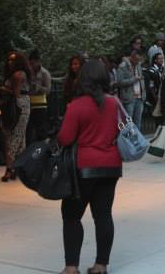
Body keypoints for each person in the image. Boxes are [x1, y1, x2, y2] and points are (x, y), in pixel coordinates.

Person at [56, 60, 123, 274]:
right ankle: (101, 265)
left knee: (72, 216)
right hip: (111, 165)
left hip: (83, 168)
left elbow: (65, 138)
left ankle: (71, 267)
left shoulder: (76, 106)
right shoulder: (113, 103)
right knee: (103, 214)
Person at [1, 52, 32, 182]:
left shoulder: (18, 74)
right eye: (9, 59)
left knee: (15, 136)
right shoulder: (16, 74)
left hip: (19, 105)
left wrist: (2, 89)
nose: (10, 62)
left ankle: (10, 168)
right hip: (18, 104)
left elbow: (16, 93)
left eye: (13, 60)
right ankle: (17, 168)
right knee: (20, 136)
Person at [114, 50, 145, 131]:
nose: (137, 62)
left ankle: (138, 141)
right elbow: (119, 82)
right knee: (128, 123)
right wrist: (134, 79)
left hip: (140, 97)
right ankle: (129, 142)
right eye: (136, 60)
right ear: (132, 57)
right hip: (129, 98)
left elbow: (141, 79)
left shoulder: (138, 65)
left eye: (139, 60)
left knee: (138, 122)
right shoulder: (123, 66)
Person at [26, 50, 52, 143]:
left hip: (40, 103)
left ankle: (43, 148)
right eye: (30, 63)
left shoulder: (45, 73)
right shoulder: (28, 72)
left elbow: (48, 90)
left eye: (33, 63)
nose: (31, 65)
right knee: (28, 128)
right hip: (28, 102)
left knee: (41, 128)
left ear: (38, 62)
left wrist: (38, 87)